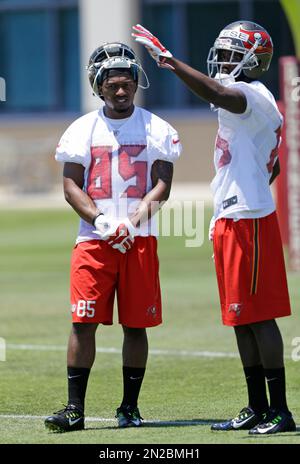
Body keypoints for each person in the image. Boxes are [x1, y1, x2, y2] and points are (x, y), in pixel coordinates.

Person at [132, 21, 296, 435]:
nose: (221, 60)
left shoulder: (255, 95)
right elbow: (269, 165)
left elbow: (219, 91)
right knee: (239, 317)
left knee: (260, 317)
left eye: (228, 53)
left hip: (249, 219)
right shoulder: (241, 103)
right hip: (230, 215)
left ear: (251, 58)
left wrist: (171, 63)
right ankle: (257, 405)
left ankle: (281, 410)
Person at [44, 42, 181, 432]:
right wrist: (104, 222)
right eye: (114, 86)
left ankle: (129, 407)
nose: (122, 92)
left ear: (137, 83)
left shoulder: (157, 128)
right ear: (98, 87)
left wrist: (132, 222)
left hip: (139, 239)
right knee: (82, 322)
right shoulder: (81, 129)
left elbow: (162, 185)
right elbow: (71, 185)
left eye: (127, 84)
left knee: (135, 326)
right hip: (93, 241)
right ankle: (74, 409)